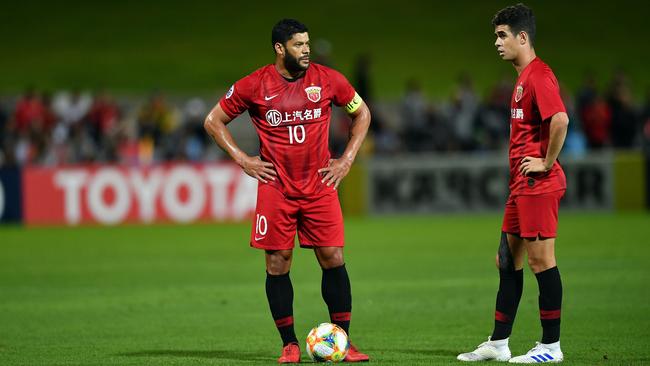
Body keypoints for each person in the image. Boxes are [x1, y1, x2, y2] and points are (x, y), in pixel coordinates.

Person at [204, 19, 371, 363]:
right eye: (298, 45)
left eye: (307, 43)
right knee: (278, 263)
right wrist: (243, 160)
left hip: (320, 185)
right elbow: (213, 121)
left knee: (333, 258)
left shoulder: (328, 80)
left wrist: (346, 159)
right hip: (276, 189)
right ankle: (289, 344)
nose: (306, 50)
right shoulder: (254, 84)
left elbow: (362, 113)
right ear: (280, 49)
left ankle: (344, 341)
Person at [458, 4, 569, 363]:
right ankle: (499, 343)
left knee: (541, 262)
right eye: (496, 35)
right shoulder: (522, 79)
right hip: (520, 186)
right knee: (507, 260)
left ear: (523, 37)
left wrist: (547, 162)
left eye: (502, 35)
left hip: (538, 184)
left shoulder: (539, 76)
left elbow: (561, 120)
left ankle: (551, 347)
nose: (496, 42)